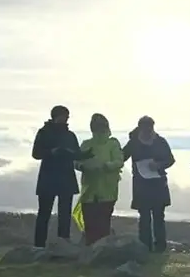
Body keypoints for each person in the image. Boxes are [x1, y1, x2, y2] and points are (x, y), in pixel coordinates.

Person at [32, 105, 93, 247]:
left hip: (65, 177)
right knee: (44, 213)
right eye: (63, 116)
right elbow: (36, 154)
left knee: (65, 213)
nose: (66, 119)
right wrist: (52, 152)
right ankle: (39, 245)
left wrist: (85, 155)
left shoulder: (70, 135)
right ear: (55, 117)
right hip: (48, 177)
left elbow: (76, 154)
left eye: (67, 116)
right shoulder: (44, 133)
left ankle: (63, 243)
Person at [123, 116, 176, 252]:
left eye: (150, 128)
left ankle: (160, 246)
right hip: (141, 184)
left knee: (159, 215)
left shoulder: (160, 141)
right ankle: (145, 246)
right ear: (140, 128)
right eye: (145, 129)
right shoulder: (134, 143)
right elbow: (122, 156)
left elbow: (170, 160)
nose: (148, 131)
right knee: (144, 216)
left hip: (158, 183)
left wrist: (159, 165)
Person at [74, 113, 124, 245]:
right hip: (90, 191)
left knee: (103, 223)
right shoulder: (86, 144)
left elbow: (119, 161)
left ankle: (102, 250)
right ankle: (92, 249)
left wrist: (106, 166)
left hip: (107, 190)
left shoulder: (112, 144)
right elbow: (76, 161)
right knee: (91, 224)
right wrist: (83, 166)